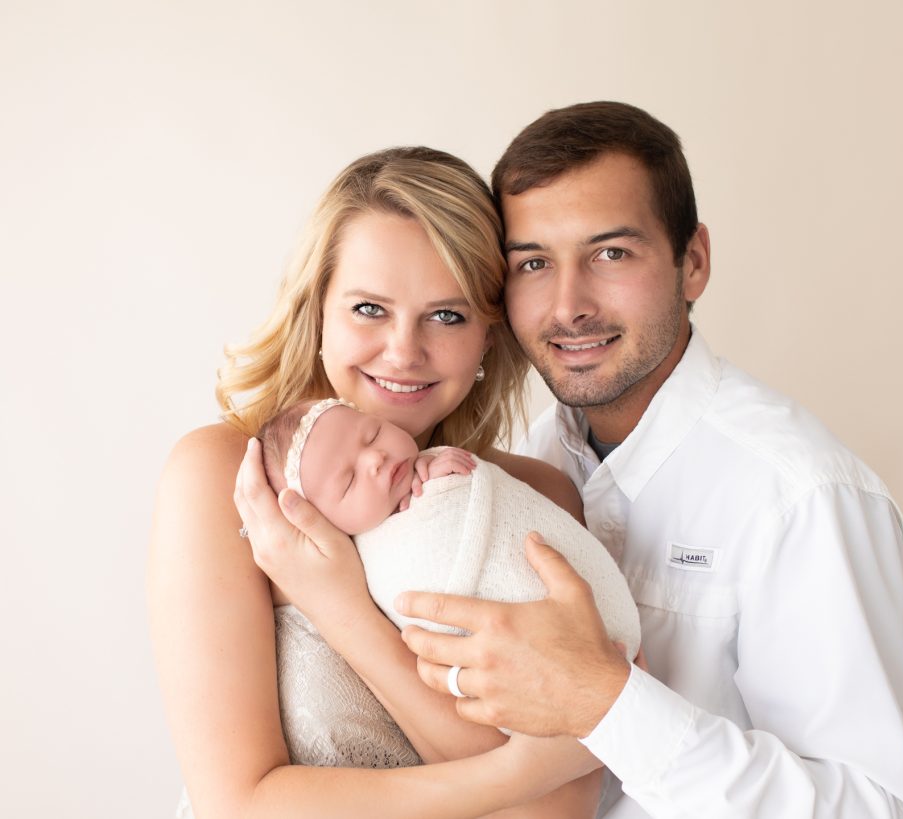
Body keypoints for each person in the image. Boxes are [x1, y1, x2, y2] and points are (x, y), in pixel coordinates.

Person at [390, 103, 903, 818]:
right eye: (533, 263)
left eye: (611, 253)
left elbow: (877, 809)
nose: (569, 305)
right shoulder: (529, 461)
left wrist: (609, 702)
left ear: (694, 261)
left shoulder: (802, 494)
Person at [148, 146, 604, 819]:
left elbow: (555, 813)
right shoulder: (224, 477)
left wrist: (339, 604)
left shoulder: (533, 497)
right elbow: (240, 803)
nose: (402, 351)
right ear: (317, 308)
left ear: (488, 335)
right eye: (369, 309)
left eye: (446, 315)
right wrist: (528, 770)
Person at [258, 397, 640, 664]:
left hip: (596, 625)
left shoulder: (434, 469)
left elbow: (486, 496)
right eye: (349, 480)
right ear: (323, 523)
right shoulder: (361, 562)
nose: (375, 459)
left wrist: (439, 467)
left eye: (372, 434)